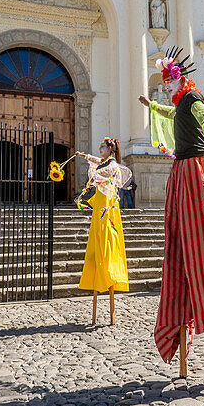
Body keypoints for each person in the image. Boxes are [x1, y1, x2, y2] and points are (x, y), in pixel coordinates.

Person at [140, 46, 204, 383]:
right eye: (164, 81)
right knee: (178, 240)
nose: (167, 85)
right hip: (181, 169)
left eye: (169, 80)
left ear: (180, 77)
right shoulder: (179, 101)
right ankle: (178, 327)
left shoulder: (194, 98)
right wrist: (153, 106)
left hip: (195, 167)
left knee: (202, 240)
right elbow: (172, 117)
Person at [76, 138, 131, 324]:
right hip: (99, 205)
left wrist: (94, 174)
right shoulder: (104, 162)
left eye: (102, 147)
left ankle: (108, 275)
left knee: (106, 241)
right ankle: (98, 276)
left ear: (110, 149)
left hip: (107, 208)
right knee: (97, 239)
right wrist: (83, 156)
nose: (100, 149)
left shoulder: (113, 165)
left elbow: (104, 177)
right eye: (99, 147)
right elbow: (95, 161)